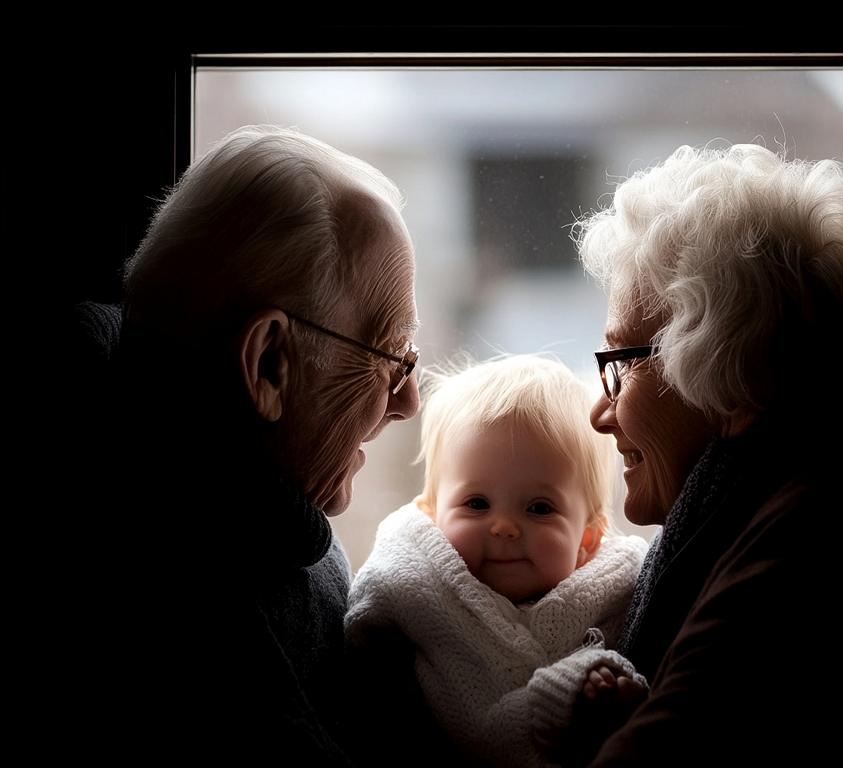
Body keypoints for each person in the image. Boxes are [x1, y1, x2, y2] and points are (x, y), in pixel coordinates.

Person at [68, 125, 420, 763]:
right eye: (392, 357)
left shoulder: (258, 523)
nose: (408, 401)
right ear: (268, 364)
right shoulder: (189, 623)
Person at [561, 143, 843, 762]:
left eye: (622, 364)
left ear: (731, 371)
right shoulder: (773, 500)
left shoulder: (804, 545)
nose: (599, 413)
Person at [344, 355, 648, 766]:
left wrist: (607, 696)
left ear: (587, 540)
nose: (504, 527)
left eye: (539, 508)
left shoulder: (619, 594)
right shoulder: (415, 588)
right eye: (476, 503)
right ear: (433, 516)